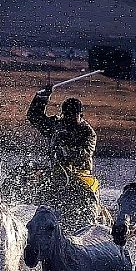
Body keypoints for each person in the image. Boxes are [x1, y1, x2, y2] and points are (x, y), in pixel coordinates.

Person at [26, 85, 104, 228]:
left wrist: (64, 151)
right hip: (56, 174)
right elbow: (34, 117)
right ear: (62, 114)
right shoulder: (57, 125)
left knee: (89, 196)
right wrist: (41, 98)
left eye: (73, 116)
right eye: (66, 115)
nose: (69, 119)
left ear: (81, 115)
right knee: (35, 190)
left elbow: (85, 153)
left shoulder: (88, 133)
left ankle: (90, 223)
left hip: (80, 176)